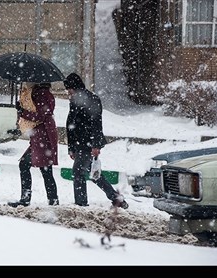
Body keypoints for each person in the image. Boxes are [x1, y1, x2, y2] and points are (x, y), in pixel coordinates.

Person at [64, 73, 128, 209]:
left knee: (78, 172)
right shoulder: (76, 99)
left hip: (88, 142)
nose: (67, 91)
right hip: (81, 143)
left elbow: (96, 123)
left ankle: (81, 203)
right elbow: (71, 124)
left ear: (73, 87)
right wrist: (71, 147)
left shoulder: (90, 99)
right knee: (94, 174)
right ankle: (116, 198)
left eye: (68, 88)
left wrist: (95, 144)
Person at [8, 83, 59, 207]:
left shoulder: (42, 94)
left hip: (42, 137)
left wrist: (23, 112)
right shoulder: (41, 93)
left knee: (26, 165)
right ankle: (52, 200)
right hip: (42, 136)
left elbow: (40, 116)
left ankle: (26, 198)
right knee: (45, 170)